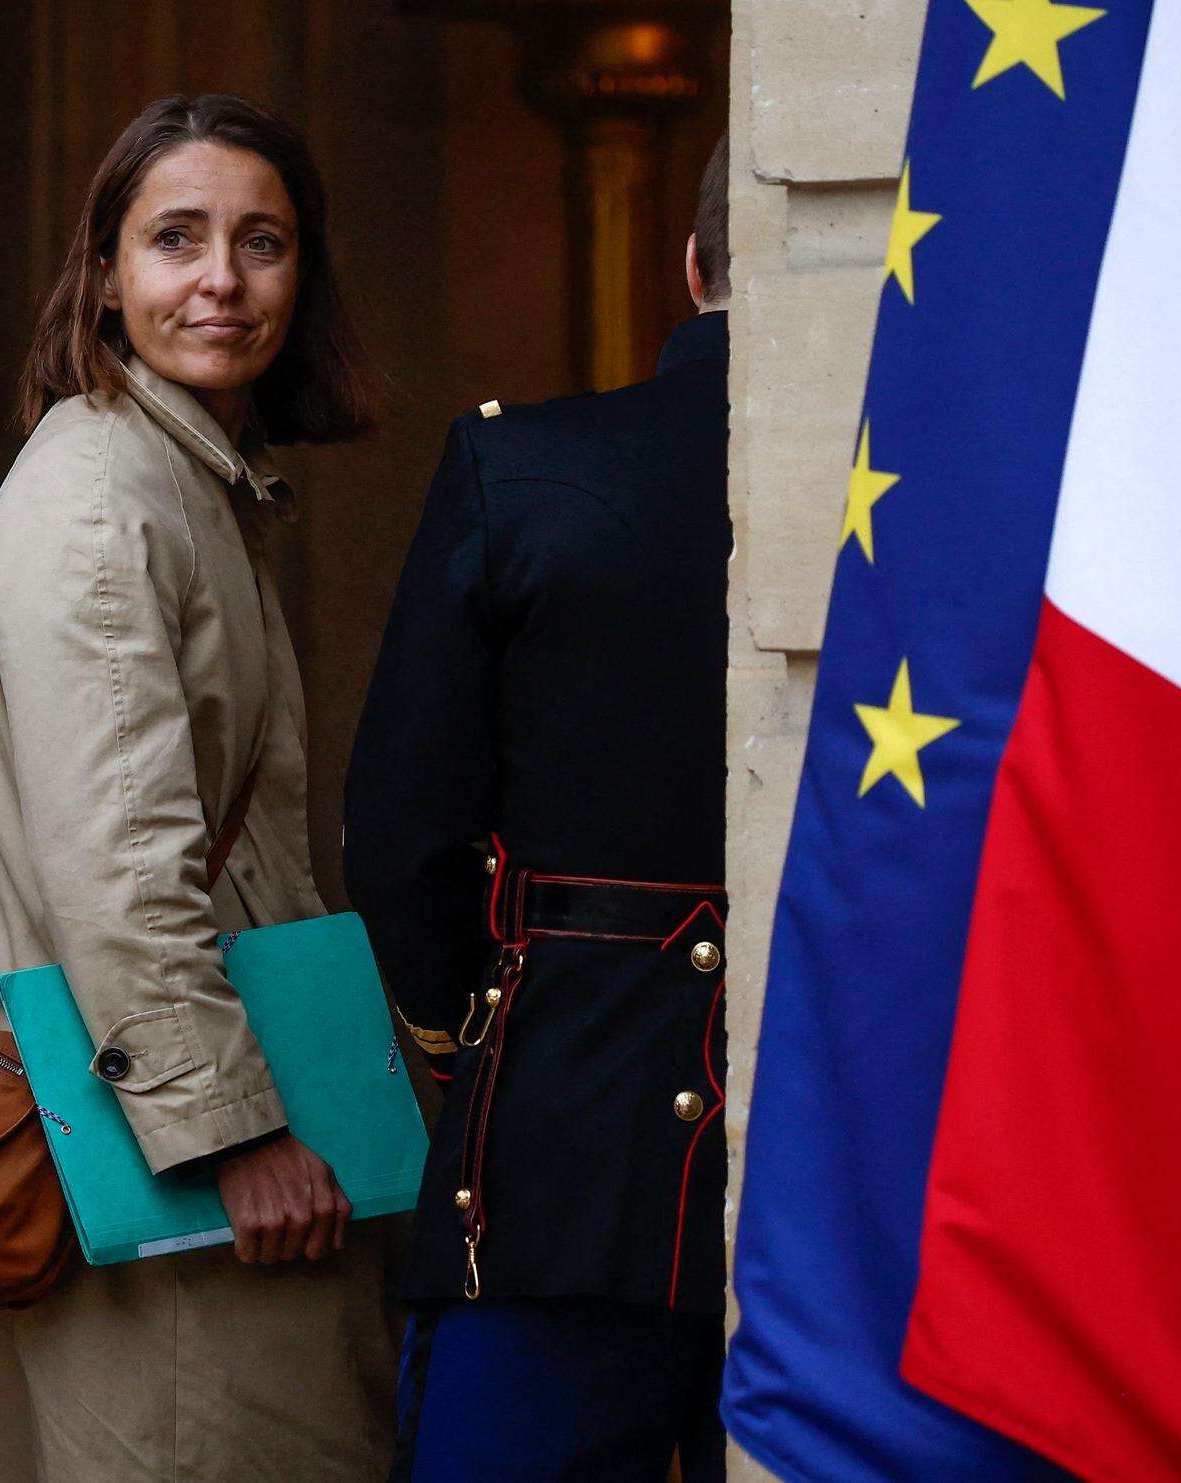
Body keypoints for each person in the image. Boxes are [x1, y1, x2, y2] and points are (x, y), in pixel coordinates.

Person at [0, 94, 397, 1481]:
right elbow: (125, 861)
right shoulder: (102, 500)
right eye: (176, 238)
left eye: (261, 240)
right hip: (161, 1156)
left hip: (175, 1117)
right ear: (105, 272)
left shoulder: (178, 475)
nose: (221, 278)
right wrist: (233, 1131)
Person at [346, 134, 736, 1482]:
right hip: (867, 1127)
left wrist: (469, 1026)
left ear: (691, 267)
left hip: (563, 1127)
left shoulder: (518, 468)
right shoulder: (957, 499)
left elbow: (403, 828)